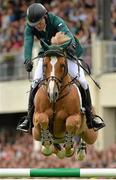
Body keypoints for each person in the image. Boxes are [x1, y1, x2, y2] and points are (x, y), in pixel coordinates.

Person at [17, 3, 105, 133]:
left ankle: (90, 117)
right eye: (35, 24)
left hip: (65, 52)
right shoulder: (30, 26)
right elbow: (28, 42)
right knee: (35, 81)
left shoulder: (56, 20)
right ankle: (28, 119)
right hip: (47, 54)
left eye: (39, 22)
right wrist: (27, 59)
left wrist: (70, 46)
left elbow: (68, 35)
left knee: (82, 81)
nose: (38, 26)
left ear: (45, 16)